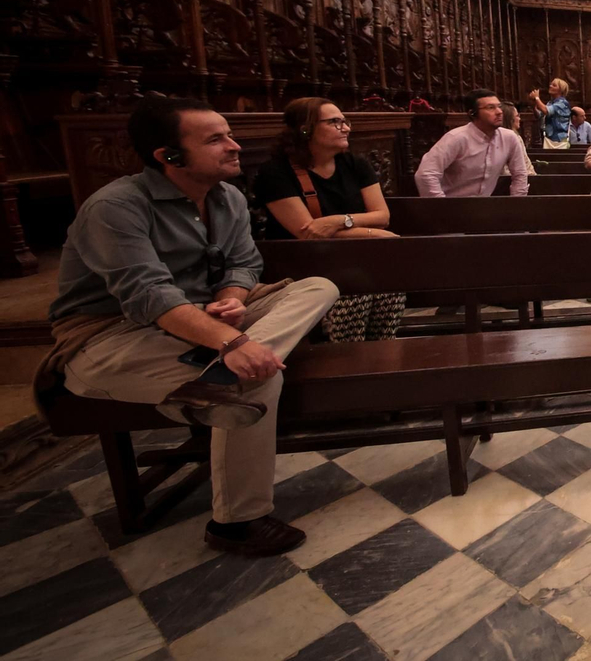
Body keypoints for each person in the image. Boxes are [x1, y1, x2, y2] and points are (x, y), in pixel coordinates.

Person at [43, 97, 338, 555]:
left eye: (229, 134)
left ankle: (210, 380)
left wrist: (230, 301)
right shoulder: (115, 207)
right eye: (216, 139)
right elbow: (147, 295)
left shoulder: (229, 197)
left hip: (205, 320)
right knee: (255, 381)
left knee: (317, 287)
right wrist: (232, 341)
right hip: (111, 335)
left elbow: (242, 263)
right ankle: (237, 524)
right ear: (168, 156)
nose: (234, 146)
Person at [255, 98, 406, 345]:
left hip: (353, 256)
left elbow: (382, 216)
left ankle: (381, 357)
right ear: (305, 129)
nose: (345, 128)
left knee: (388, 287)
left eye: (345, 121)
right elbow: (308, 233)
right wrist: (372, 234)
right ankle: (348, 361)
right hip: (302, 261)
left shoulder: (355, 164)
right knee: (354, 291)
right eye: (335, 122)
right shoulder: (276, 173)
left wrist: (339, 221)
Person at [415, 89, 529, 196]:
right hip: (453, 207)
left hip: (483, 208)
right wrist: (441, 205)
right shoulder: (456, 138)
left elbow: (520, 175)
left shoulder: (509, 138)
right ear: (472, 113)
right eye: (490, 108)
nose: (499, 112)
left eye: (499, 107)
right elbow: (426, 174)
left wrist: (517, 203)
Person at [528, 78, 573, 149]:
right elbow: (540, 115)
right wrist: (534, 105)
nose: (550, 86)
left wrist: (537, 98)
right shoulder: (550, 103)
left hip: (560, 140)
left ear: (560, 90)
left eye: (554, 85)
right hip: (549, 138)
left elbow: (546, 111)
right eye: (551, 84)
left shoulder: (563, 103)